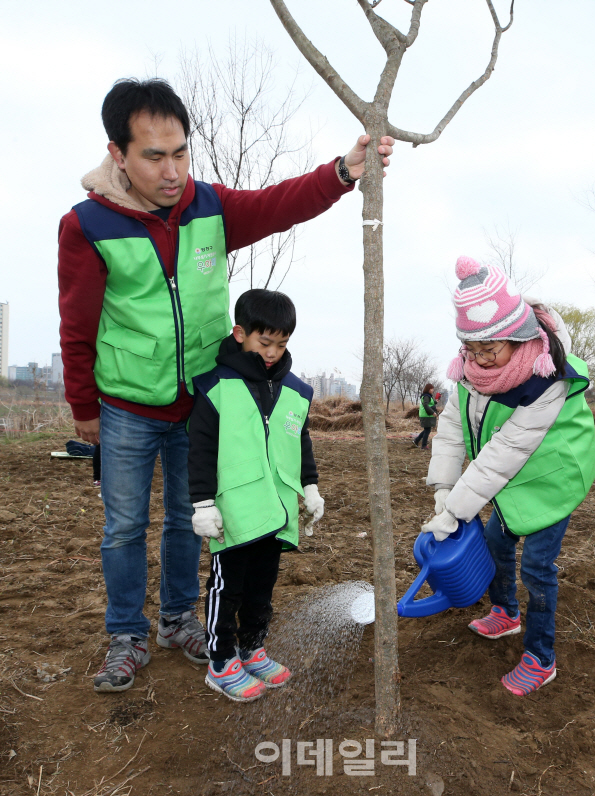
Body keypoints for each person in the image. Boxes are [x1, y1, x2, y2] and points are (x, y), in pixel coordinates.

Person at [57, 78, 393, 693]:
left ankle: (180, 620)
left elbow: (276, 204)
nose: (171, 170)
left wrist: (343, 172)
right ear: (117, 153)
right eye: (153, 156)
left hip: (200, 402)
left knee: (193, 520)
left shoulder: (207, 207)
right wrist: (85, 410)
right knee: (125, 526)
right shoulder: (87, 226)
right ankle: (127, 635)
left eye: (180, 152)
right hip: (126, 407)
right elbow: (76, 323)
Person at [422, 256, 595, 696]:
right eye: (471, 348)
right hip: (508, 480)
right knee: (497, 542)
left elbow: (506, 451)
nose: (479, 358)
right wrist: (444, 489)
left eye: (489, 349)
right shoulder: (468, 371)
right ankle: (506, 612)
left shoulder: (546, 375)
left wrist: (459, 508)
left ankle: (541, 657)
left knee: (537, 568)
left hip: (553, 476)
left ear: (517, 338)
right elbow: (451, 427)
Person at [188, 289, 324, 702]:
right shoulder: (216, 388)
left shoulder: (295, 391)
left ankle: (252, 647)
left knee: (263, 585)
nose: (272, 352)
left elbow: (300, 441)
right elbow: (201, 448)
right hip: (234, 512)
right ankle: (221, 660)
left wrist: (311, 486)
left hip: (277, 511)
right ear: (240, 333)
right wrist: (202, 503)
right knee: (227, 587)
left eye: (281, 344)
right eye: (264, 343)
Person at [413, 383, 438, 449]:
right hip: (426, 415)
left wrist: (436, 402)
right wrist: (433, 412)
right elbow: (426, 405)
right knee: (427, 430)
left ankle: (416, 440)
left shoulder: (427, 396)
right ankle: (424, 445)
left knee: (427, 429)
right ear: (428, 389)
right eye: (432, 389)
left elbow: (429, 403)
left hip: (426, 415)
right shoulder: (426, 396)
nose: (433, 390)